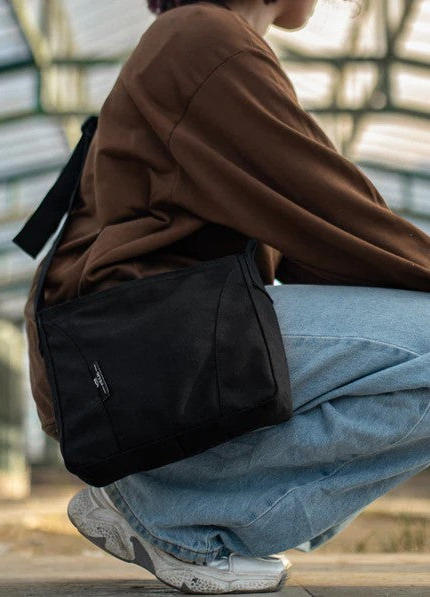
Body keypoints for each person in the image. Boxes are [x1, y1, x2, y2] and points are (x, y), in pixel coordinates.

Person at [22, 0, 430, 593]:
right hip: (140, 349)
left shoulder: (195, 40)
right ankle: (174, 509)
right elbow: (335, 214)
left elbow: (317, 243)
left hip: (139, 351)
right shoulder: (205, 38)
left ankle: (192, 499)